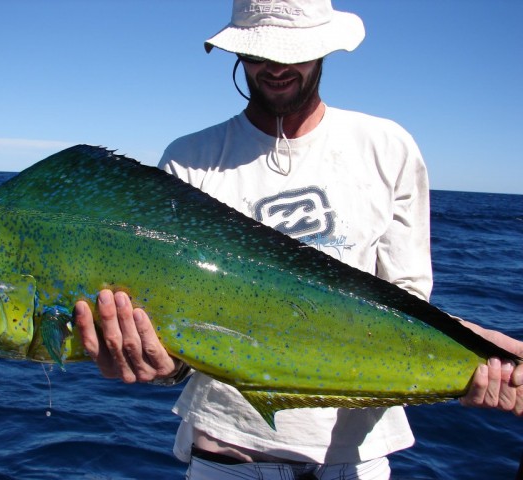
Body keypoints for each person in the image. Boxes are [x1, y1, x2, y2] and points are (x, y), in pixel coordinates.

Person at [74, 1, 523, 478]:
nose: (275, 67)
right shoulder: (189, 160)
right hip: (228, 458)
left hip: (356, 461)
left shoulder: (387, 146)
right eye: (257, 53)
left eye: (295, 52)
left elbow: (405, 304)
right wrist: (159, 363)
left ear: (325, 49)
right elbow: (176, 333)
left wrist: (483, 353)